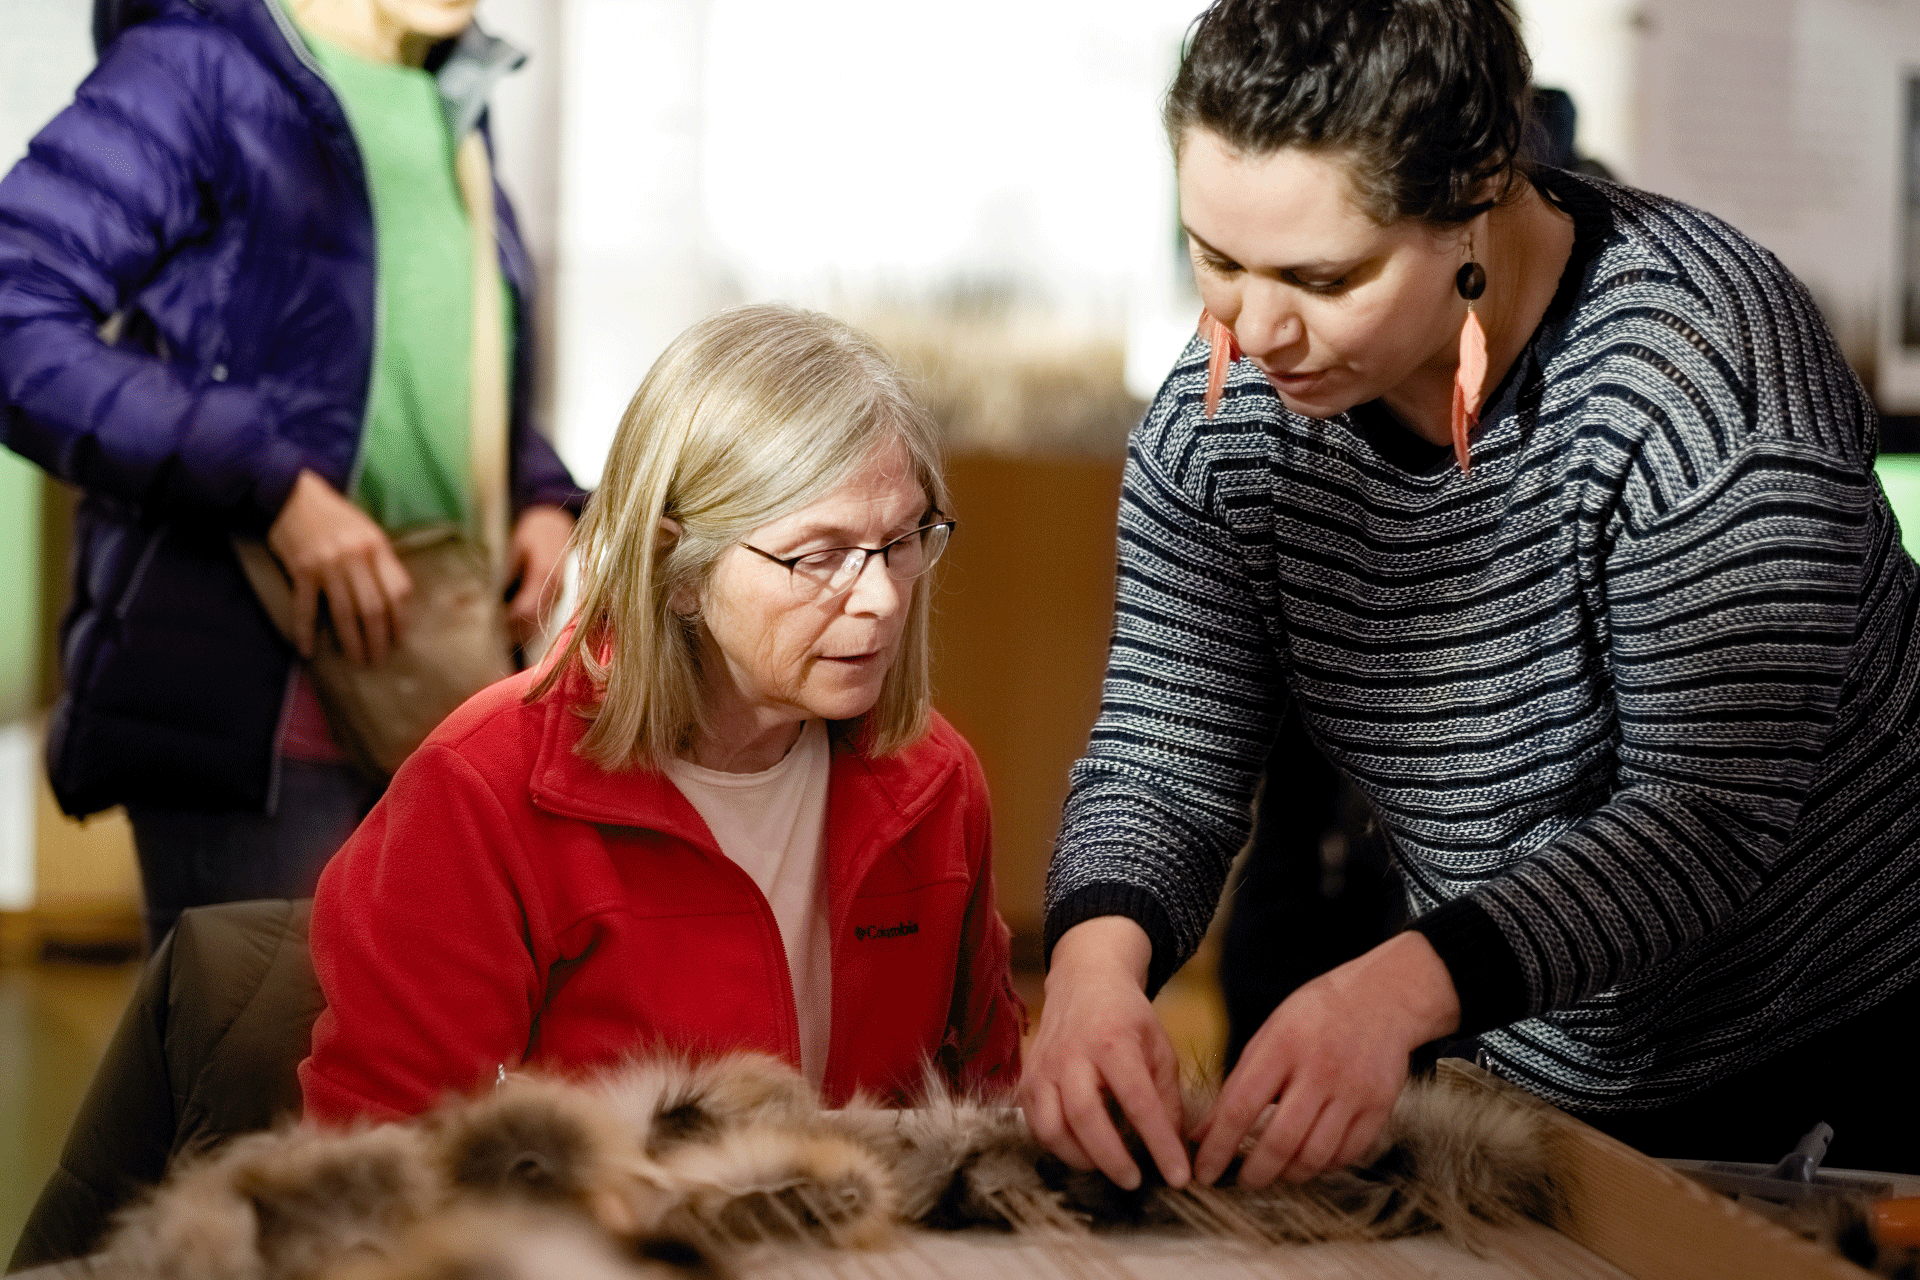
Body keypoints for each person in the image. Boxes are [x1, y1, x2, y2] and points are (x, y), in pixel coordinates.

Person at [1022, 0, 1920, 1188]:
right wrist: (1091, 973)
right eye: (1218, 258)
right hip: (1531, 1051)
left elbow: (1701, 821)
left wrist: (1397, 991)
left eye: (1322, 274)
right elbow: (1161, 756)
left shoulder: (1705, 381)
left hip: (1855, 1038)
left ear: (1484, 188)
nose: (1254, 328)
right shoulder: (1223, 427)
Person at [299, 304, 1026, 1122]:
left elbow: (990, 1106)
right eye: (820, 556)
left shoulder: (934, 782)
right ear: (674, 567)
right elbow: (384, 1166)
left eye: (903, 540)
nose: (883, 595)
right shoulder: (477, 791)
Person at [0, 0, 585, 949]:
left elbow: (427, 370)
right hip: (256, 701)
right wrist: (267, 482)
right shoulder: (194, 65)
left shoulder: (450, 90)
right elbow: (13, 313)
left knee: (423, 1079)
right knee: (264, 1078)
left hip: (437, 682)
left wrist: (539, 494)